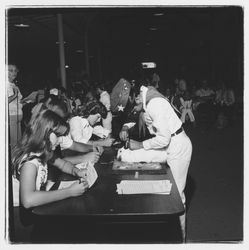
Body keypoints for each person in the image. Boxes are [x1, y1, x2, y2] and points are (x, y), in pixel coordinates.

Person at [118, 85, 192, 240]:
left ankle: (181, 240)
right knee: (138, 157)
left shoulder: (153, 104)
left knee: (177, 198)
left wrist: (140, 145)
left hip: (178, 146)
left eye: (134, 106)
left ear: (136, 98)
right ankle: (169, 236)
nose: (135, 110)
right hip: (171, 145)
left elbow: (163, 139)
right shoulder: (149, 98)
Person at [12, 109, 89, 208]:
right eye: (58, 135)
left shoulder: (44, 152)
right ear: (45, 134)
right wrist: (69, 191)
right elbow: (28, 200)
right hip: (18, 214)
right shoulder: (30, 163)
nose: (60, 140)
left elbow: (63, 164)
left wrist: (77, 171)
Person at [7, 63, 23, 153]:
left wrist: (26, 101)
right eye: (11, 70)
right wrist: (15, 95)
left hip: (18, 115)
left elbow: (18, 100)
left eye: (15, 70)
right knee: (14, 143)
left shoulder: (14, 85)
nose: (14, 73)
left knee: (19, 142)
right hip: (11, 116)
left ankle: (18, 162)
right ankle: (14, 164)